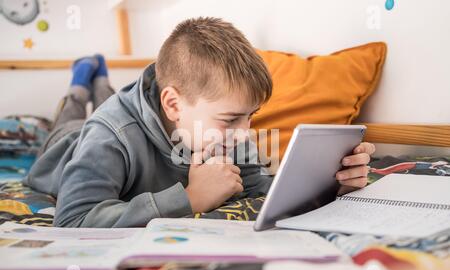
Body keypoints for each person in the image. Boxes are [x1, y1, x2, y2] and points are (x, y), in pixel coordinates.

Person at [24, 17, 375, 228]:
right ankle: (80, 87)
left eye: (250, 116)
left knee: (107, 104)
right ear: (174, 104)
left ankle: (102, 85)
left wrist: (331, 187)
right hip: (65, 148)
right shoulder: (109, 136)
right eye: (231, 119)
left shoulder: (227, 130)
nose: (244, 132)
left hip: (133, 116)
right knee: (67, 124)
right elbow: (73, 219)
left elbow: (259, 188)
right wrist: (189, 199)